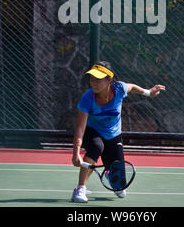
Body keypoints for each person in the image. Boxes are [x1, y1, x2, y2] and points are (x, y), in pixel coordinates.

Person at [71, 61, 166, 203]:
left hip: (113, 135)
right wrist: (76, 153)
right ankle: (80, 189)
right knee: (96, 146)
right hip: (92, 131)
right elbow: (80, 128)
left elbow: (132, 87)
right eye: (92, 79)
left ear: (109, 80)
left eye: (98, 79)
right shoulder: (88, 98)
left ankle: (111, 173)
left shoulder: (120, 88)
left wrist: (148, 92)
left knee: (120, 188)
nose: (94, 83)